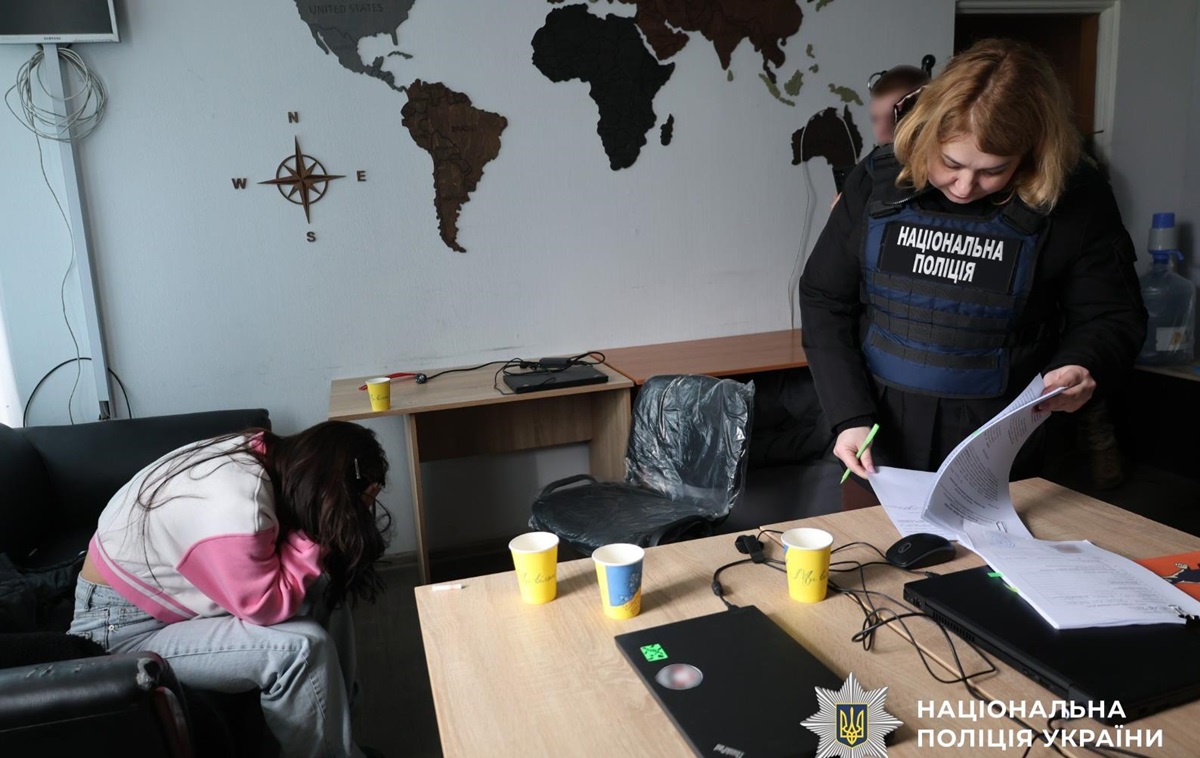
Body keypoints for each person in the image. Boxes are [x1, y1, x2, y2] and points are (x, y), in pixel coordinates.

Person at [799, 39, 1147, 489]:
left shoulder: (1075, 196)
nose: (964, 186)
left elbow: (1112, 315)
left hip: (1007, 448)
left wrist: (1083, 363)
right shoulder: (877, 181)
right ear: (928, 131)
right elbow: (824, 298)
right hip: (877, 440)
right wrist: (848, 416)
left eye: (993, 170)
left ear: (1032, 154)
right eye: (950, 162)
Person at [67, 420, 392, 758]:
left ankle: (338, 738)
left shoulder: (261, 454)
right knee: (301, 651)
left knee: (325, 593)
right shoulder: (242, 505)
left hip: (157, 600)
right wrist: (323, 533)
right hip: (119, 631)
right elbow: (265, 606)